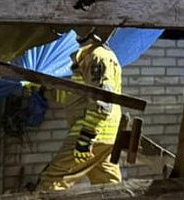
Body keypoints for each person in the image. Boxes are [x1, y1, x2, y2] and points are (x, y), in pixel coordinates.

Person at [34, 29, 123, 191]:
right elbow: (76, 97)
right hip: (106, 138)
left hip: (91, 134)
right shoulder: (93, 56)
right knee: (110, 187)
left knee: (52, 180)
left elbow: (103, 99)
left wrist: (86, 138)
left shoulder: (97, 56)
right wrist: (44, 90)